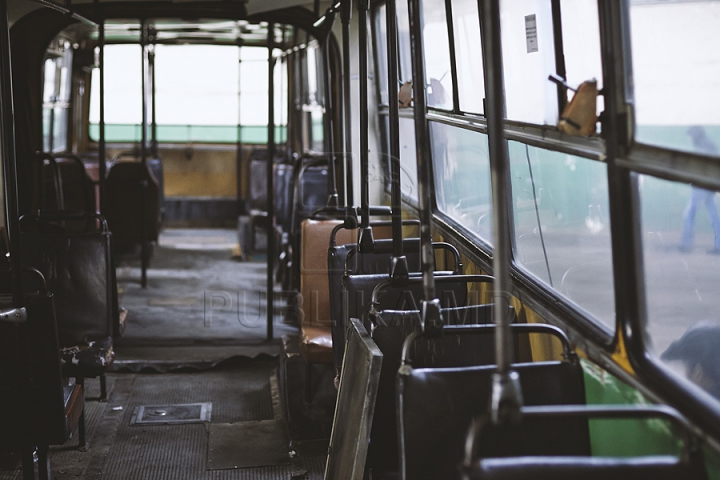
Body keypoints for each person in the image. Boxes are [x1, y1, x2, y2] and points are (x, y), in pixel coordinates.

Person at [678, 126, 720, 254]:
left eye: (691, 135)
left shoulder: (703, 146)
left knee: (689, 214)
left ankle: (686, 244)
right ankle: (718, 246)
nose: (690, 138)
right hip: (708, 185)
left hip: (703, 185)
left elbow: (701, 168)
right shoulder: (708, 145)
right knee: (713, 216)